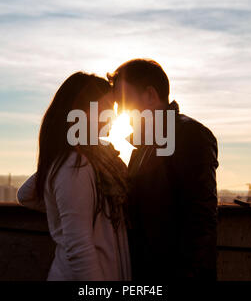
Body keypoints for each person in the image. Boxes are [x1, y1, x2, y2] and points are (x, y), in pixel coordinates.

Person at [108, 59, 219, 280]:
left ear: (150, 95)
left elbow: (201, 220)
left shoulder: (189, 135)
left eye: (124, 99)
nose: (119, 110)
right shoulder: (144, 146)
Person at [17, 72, 131, 281]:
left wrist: (69, 209)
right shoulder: (75, 165)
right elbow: (80, 249)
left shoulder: (85, 158)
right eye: (106, 109)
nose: (112, 117)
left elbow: (26, 194)